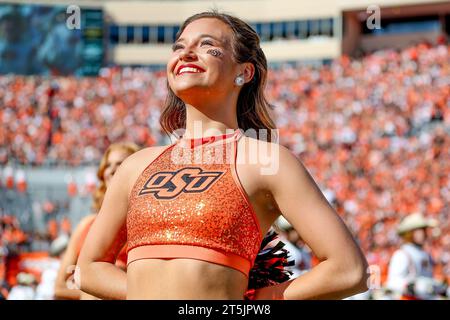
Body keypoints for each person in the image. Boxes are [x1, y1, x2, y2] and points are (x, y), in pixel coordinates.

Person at [77, 10, 368, 300]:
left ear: (244, 72)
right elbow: (89, 268)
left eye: (207, 46)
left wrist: (252, 302)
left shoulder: (266, 161)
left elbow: (348, 270)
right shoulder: (135, 165)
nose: (187, 53)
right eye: (179, 46)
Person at [54, 142, 139, 300]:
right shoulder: (85, 225)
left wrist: (104, 285)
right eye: (108, 165)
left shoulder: (144, 222)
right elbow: (60, 286)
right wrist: (93, 290)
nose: (112, 169)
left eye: (120, 163)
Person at [386, 212, 441, 300]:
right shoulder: (402, 254)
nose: (425, 234)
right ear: (410, 233)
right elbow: (392, 282)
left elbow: (428, 281)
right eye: (420, 230)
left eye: (424, 230)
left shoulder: (426, 255)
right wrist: (413, 286)